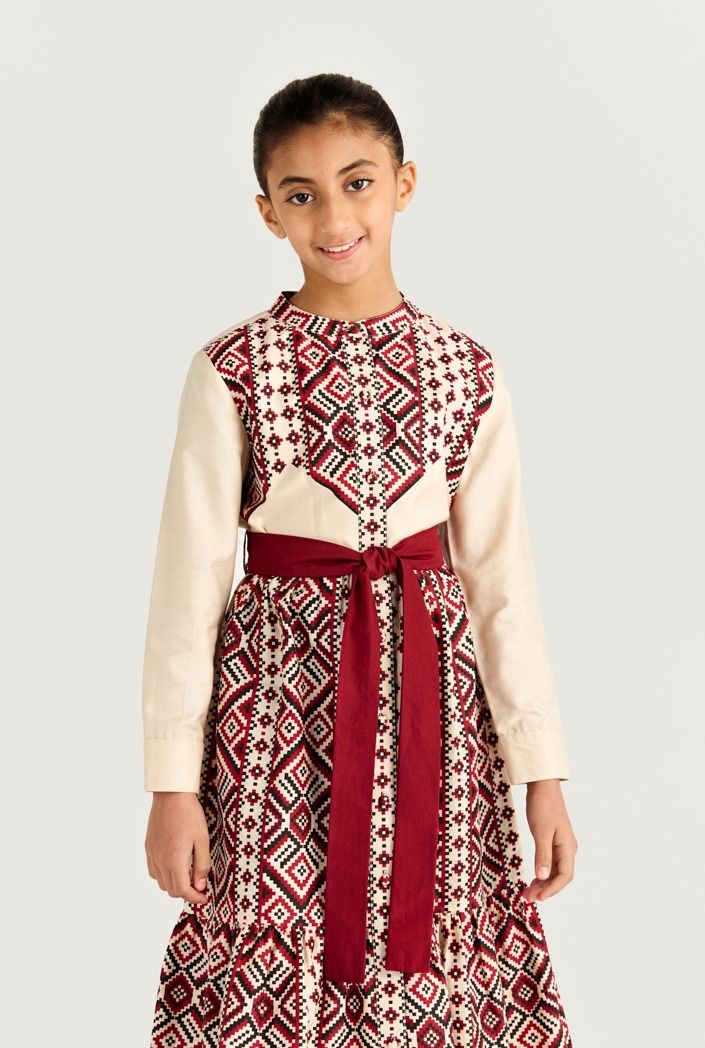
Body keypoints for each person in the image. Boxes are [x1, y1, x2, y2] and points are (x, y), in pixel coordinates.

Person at [142, 72, 578, 1046]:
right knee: (269, 938)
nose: (335, 218)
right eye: (300, 194)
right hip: (274, 727)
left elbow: (502, 588)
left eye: (357, 182)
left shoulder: (467, 369)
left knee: (432, 943)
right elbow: (187, 591)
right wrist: (173, 784)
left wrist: (542, 770)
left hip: (437, 728)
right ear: (269, 213)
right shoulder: (234, 369)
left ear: (403, 184)